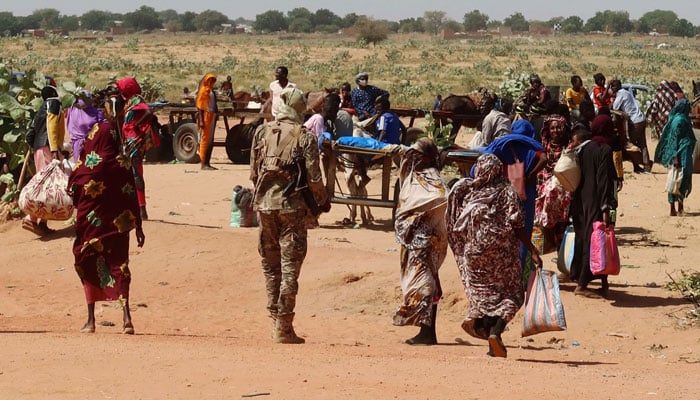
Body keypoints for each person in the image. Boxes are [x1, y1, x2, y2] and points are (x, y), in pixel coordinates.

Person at [250, 87, 330, 344]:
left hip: (264, 206)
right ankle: (284, 327)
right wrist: (321, 201)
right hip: (292, 209)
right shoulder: (303, 136)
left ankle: (275, 321)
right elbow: (314, 177)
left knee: (269, 266)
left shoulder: (262, 131)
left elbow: (253, 172)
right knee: (289, 268)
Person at [446, 153, 543, 358]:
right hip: (502, 257)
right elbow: (517, 225)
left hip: (474, 256)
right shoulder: (508, 193)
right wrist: (532, 250)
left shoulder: (469, 194)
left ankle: (487, 334)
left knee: (483, 298)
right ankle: (496, 333)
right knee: (513, 295)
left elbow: (457, 225)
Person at [67, 92, 145, 334]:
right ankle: (126, 317)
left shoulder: (89, 165)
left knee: (87, 258)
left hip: (92, 224)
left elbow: (76, 182)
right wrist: (139, 228)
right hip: (117, 227)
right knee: (119, 263)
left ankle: (91, 320)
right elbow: (133, 197)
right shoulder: (122, 164)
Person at [392, 138, 448, 345]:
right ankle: (426, 331)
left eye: (418, 154)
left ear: (427, 157)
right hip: (413, 241)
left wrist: (417, 220)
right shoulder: (414, 176)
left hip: (428, 242)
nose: (413, 156)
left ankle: (427, 332)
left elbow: (440, 202)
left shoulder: (434, 182)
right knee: (428, 284)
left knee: (425, 285)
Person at [482, 119, 546, 280]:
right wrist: (530, 174)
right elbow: (545, 158)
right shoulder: (532, 148)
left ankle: (501, 272)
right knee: (524, 230)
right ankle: (519, 274)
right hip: (526, 193)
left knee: (505, 230)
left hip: (504, 192)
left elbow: (485, 157)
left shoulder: (503, 145)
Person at [567, 127, 618, 298]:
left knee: (589, 240)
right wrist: (605, 207)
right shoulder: (603, 151)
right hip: (595, 203)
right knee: (596, 241)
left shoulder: (578, 153)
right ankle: (582, 285)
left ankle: (603, 283)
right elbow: (603, 180)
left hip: (580, 204)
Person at [22, 86, 65, 236]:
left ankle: (42, 222)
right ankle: (31, 218)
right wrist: (54, 149)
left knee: (45, 183)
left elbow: (31, 132)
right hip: (48, 146)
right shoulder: (53, 103)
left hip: (39, 148)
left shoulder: (42, 107)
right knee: (47, 185)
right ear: (53, 94)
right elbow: (52, 125)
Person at [116, 77, 156, 220]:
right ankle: (135, 206)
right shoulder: (129, 101)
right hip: (130, 140)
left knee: (136, 173)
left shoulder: (137, 99)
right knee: (131, 173)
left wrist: (136, 124)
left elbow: (149, 112)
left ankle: (142, 209)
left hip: (135, 141)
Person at [654, 98, 697, 216]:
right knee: (676, 180)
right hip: (679, 155)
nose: (689, 110)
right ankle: (674, 208)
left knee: (682, 179)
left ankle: (680, 207)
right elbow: (674, 140)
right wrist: (675, 157)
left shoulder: (683, 119)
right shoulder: (679, 121)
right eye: (688, 108)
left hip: (685, 153)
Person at [609, 79, 651, 173]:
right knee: (642, 143)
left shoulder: (620, 94)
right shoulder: (627, 92)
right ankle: (646, 165)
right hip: (641, 119)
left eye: (612, 87)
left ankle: (638, 164)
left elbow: (615, 107)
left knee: (630, 145)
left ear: (615, 87)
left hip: (634, 121)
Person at [66, 91, 106, 163]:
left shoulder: (96, 113)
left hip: (93, 144)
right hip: (78, 145)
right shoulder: (73, 110)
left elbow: (101, 129)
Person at [196, 73, 218, 170]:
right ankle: (203, 163)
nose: (211, 82)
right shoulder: (203, 91)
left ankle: (207, 163)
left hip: (211, 115)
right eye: (210, 80)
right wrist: (201, 121)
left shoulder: (210, 91)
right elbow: (200, 107)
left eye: (213, 81)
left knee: (209, 140)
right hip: (205, 116)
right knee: (205, 140)